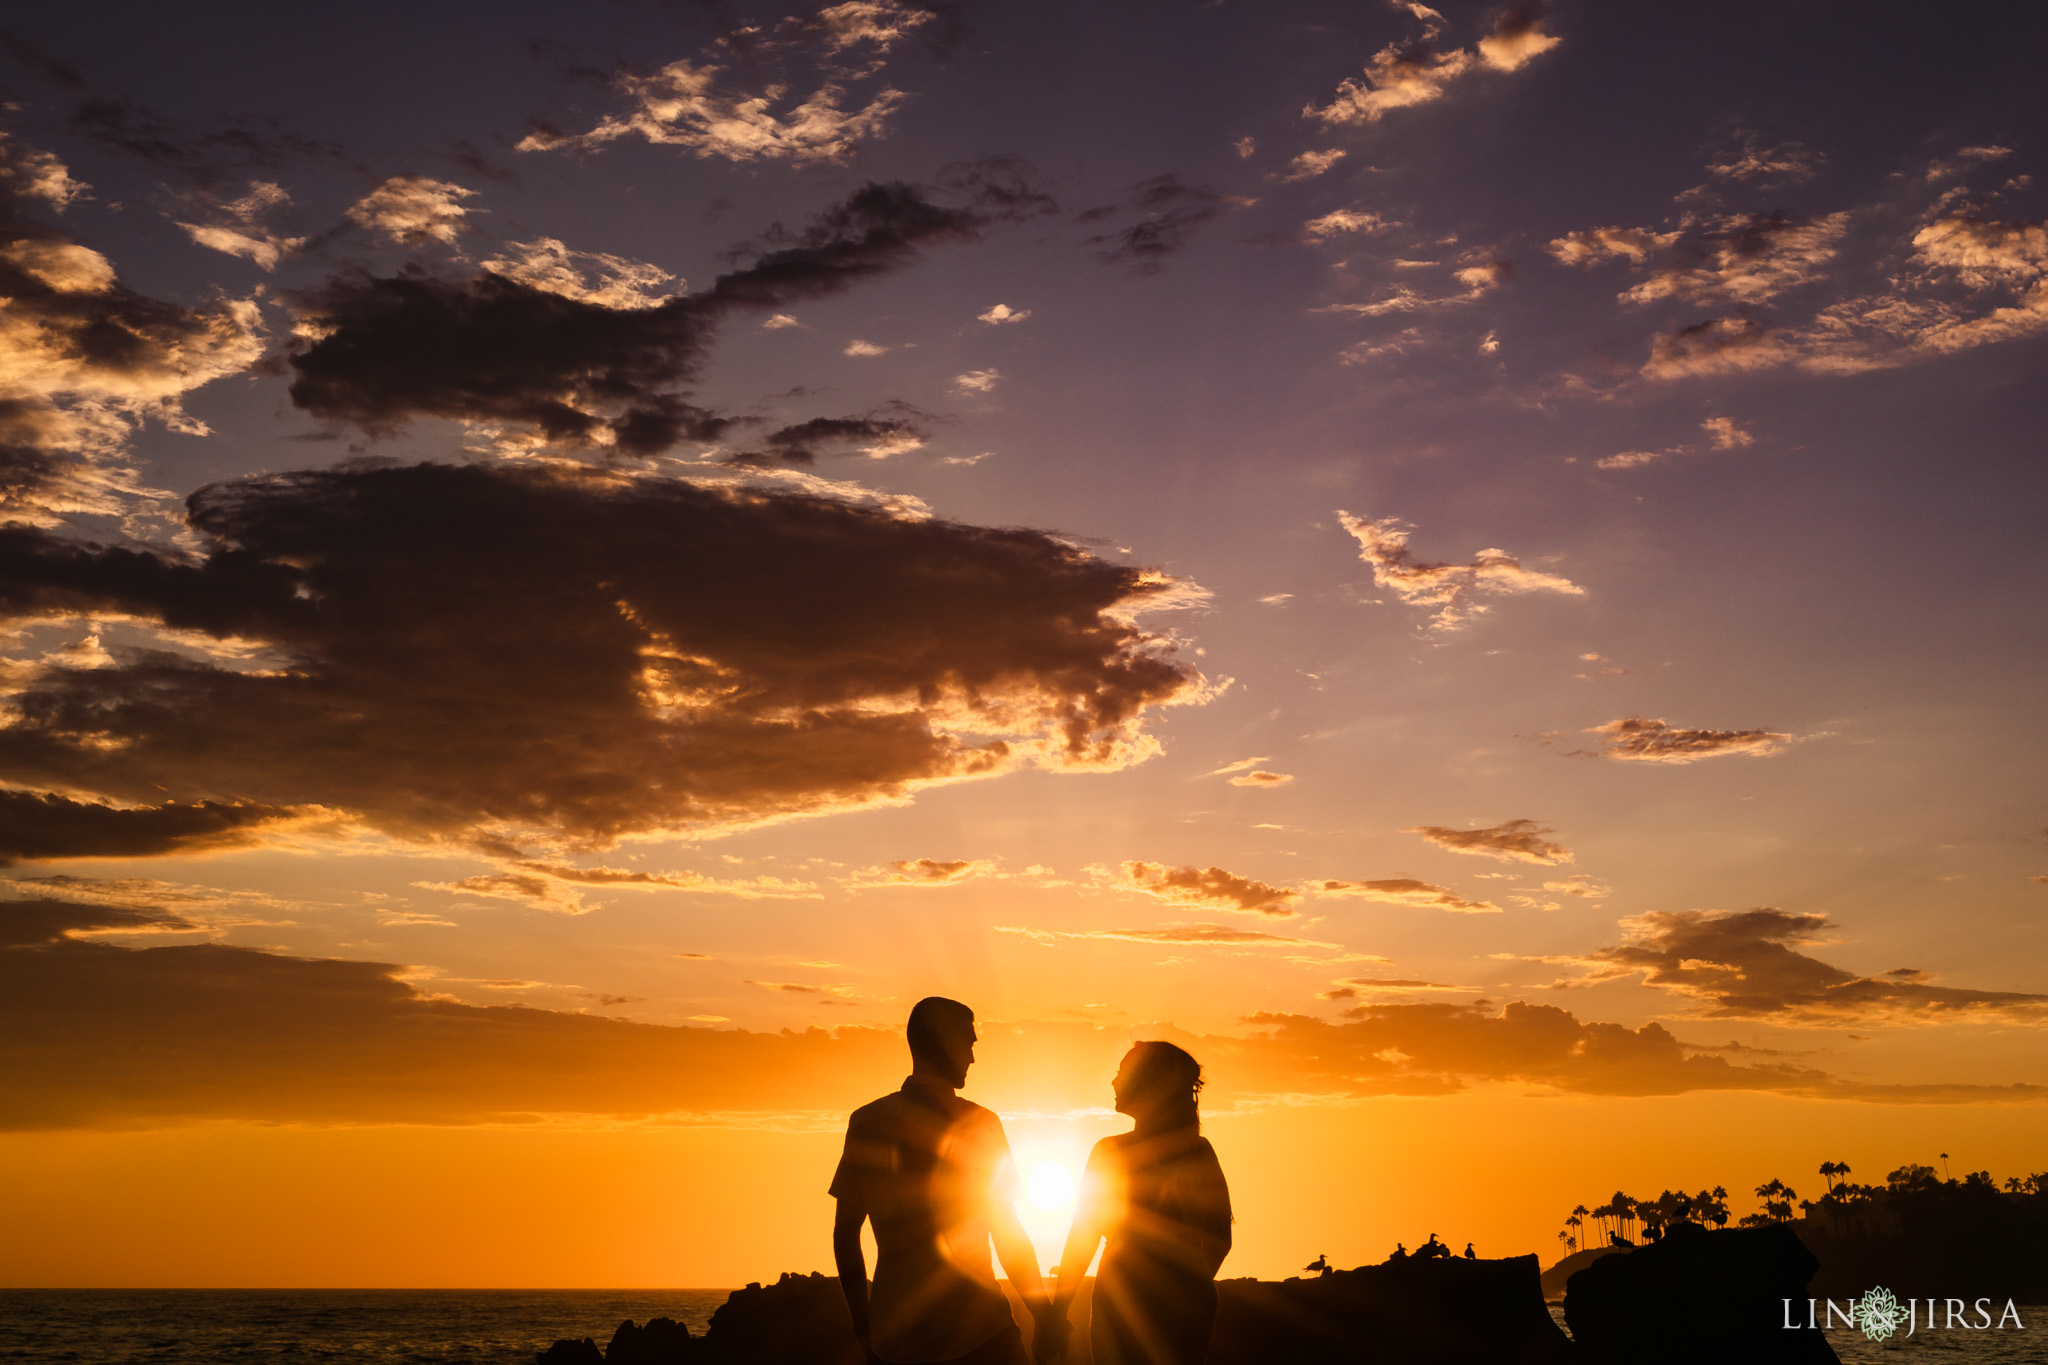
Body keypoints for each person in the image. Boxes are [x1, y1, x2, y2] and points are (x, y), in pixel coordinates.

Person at [832, 997, 1052, 1365]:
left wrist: (863, 1325)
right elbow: (1006, 1232)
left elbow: (845, 1233)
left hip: (896, 1339)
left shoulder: (868, 1122)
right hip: (983, 1334)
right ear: (947, 1043)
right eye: (969, 1043)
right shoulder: (981, 1124)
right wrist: (1044, 1315)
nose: (972, 1057)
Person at [1037, 1041, 1232, 1365]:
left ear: (1149, 1084)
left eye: (1122, 1073)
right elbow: (1219, 1241)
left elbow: (1083, 1239)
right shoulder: (1197, 1151)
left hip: (1123, 1302)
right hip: (1155, 1306)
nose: (1113, 1082)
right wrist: (1187, 1295)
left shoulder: (1112, 1152)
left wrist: (1057, 1312)